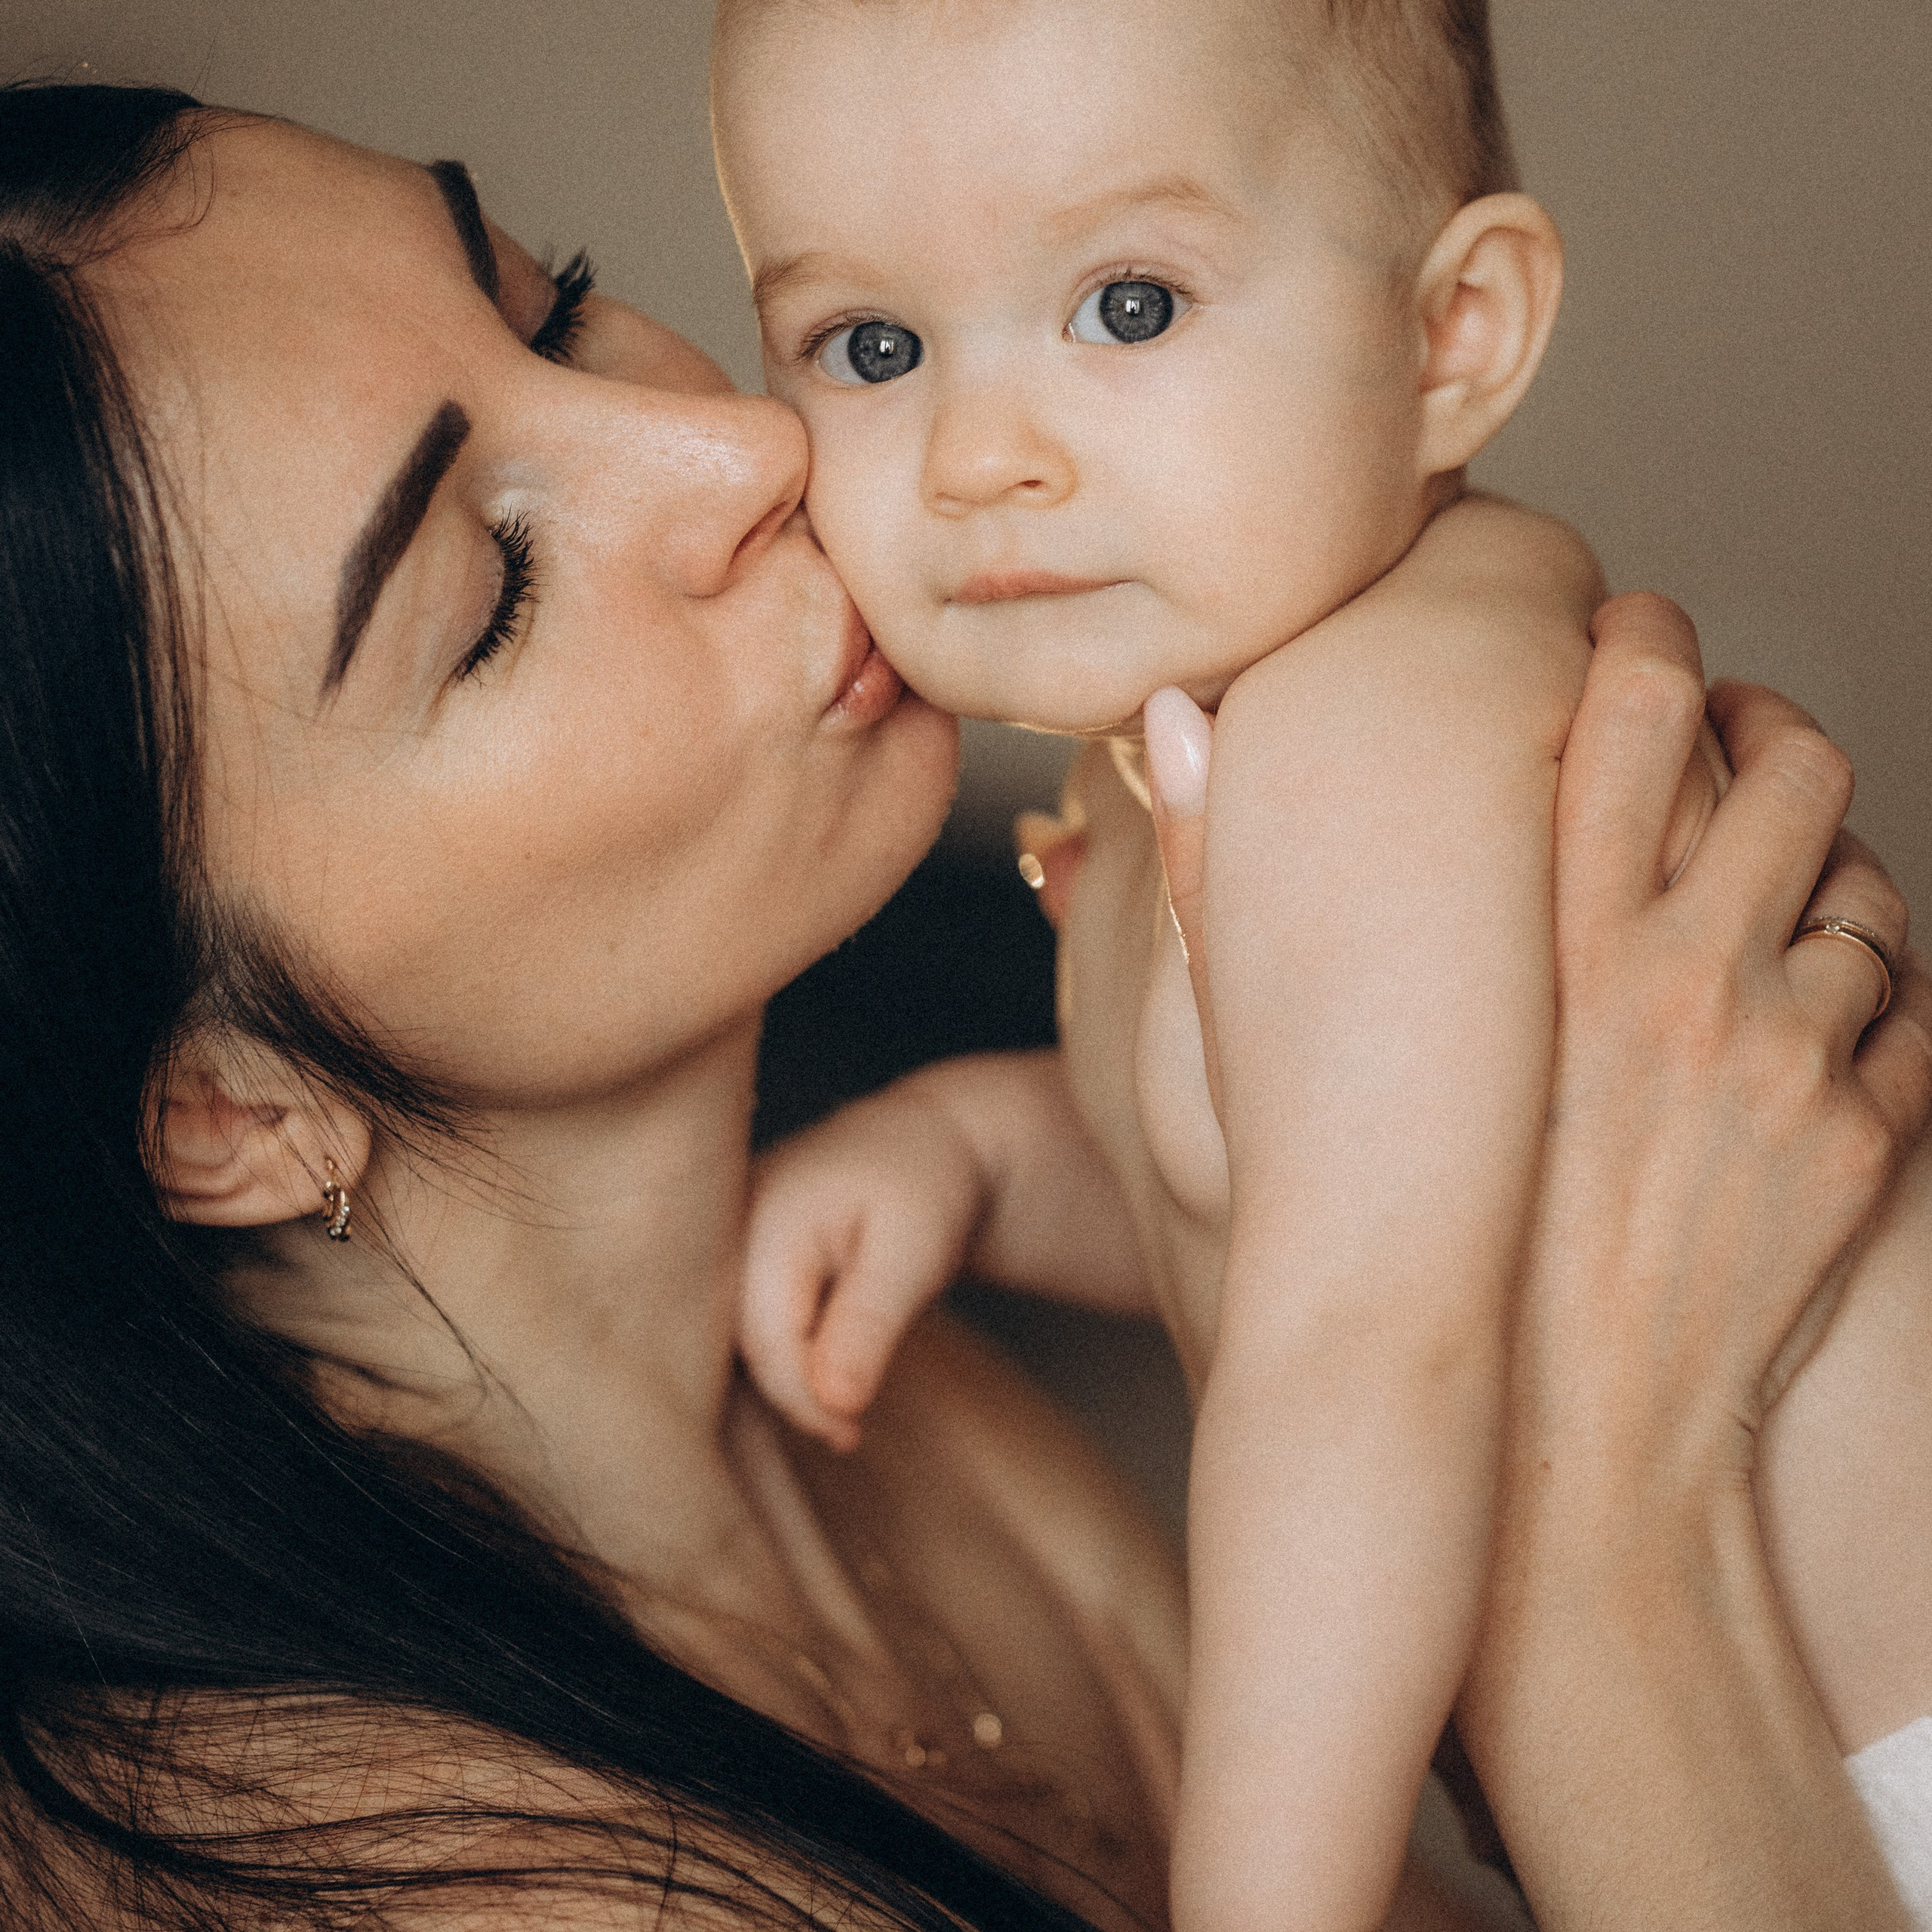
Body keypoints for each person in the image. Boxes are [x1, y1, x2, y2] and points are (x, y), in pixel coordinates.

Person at [0, 77, 1921, 1932]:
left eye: (559, 303)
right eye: (491, 585)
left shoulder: (877, 1407)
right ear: (222, 1103)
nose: (747, 450)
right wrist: (1600, 1525)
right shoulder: (399, 1871)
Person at [711, 3, 1930, 1921]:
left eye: (1126, 305)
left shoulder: (1383, 720)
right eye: (873, 346)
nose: (977, 451)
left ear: (1451, 338)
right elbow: (1296, 1180)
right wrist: (971, 1148)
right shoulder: (1186, 745)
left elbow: (1365, 1343)